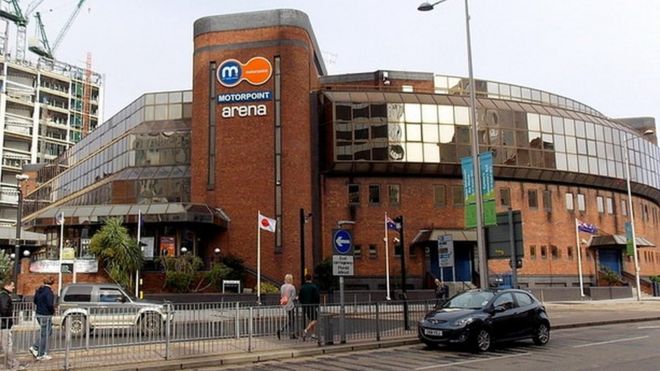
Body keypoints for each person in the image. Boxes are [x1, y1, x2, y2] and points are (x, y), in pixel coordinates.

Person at [30, 276, 55, 361]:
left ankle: (37, 348)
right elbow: (50, 304)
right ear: (52, 283)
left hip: (39, 313)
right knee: (45, 334)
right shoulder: (49, 292)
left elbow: (35, 301)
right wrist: (52, 311)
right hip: (46, 314)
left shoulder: (39, 290)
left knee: (46, 332)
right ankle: (39, 352)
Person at [0, 280, 23, 369]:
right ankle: (13, 364)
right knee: (7, 345)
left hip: (3, 323)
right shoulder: (4, 296)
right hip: (3, 324)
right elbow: (4, 309)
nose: (13, 287)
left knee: (6, 344)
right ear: (6, 286)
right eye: (12, 286)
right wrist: (8, 320)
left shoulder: (3, 295)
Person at [298, 274, 320, 341]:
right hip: (312, 305)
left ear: (305, 279)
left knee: (311, 319)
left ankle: (313, 334)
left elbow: (300, 297)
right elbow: (317, 297)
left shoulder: (302, 287)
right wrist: (317, 305)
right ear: (311, 279)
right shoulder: (314, 287)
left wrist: (302, 303)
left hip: (304, 306)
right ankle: (306, 330)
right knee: (315, 319)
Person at [277, 274, 296, 340]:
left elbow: (282, 295)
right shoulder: (292, 287)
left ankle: (287, 332)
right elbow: (293, 297)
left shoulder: (282, 286)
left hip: (284, 304)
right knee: (292, 319)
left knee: (290, 319)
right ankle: (289, 332)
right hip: (290, 305)